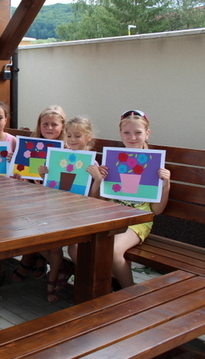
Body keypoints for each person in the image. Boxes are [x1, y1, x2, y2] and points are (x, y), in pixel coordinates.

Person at [72, 110, 170, 289]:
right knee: (76, 247)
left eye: (138, 132)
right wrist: (100, 180)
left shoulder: (155, 164)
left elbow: (157, 211)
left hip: (137, 220)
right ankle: (103, 286)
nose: (132, 137)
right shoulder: (113, 160)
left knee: (113, 250)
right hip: (109, 215)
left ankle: (130, 292)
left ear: (147, 133)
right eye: (127, 132)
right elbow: (98, 200)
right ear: (120, 134)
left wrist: (166, 185)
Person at [36, 116, 102, 302]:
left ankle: (53, 279)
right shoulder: (59, 158)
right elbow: (50, 188)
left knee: (58, 246)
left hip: (79, 214)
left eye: (78, 136)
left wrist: (97, 180)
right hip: (57, 210)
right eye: (69, 135)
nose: (72, 139)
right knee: (43, 242)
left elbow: (93, 200)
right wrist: (44, 175)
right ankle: (58, 271)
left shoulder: (92, 164)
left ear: (88, 137)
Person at [11, 105, 66, 284]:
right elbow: (26, 179)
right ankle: (54, 263)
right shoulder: (31, 146)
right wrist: (20, 177)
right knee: (19, 225)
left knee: (39, 232)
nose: (49, 128)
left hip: (56, 205)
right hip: (33, 201)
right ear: (39, 125)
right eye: (45, 124)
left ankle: (45, 263)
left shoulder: (66, 149)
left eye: (54, 124)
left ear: (62, 126)